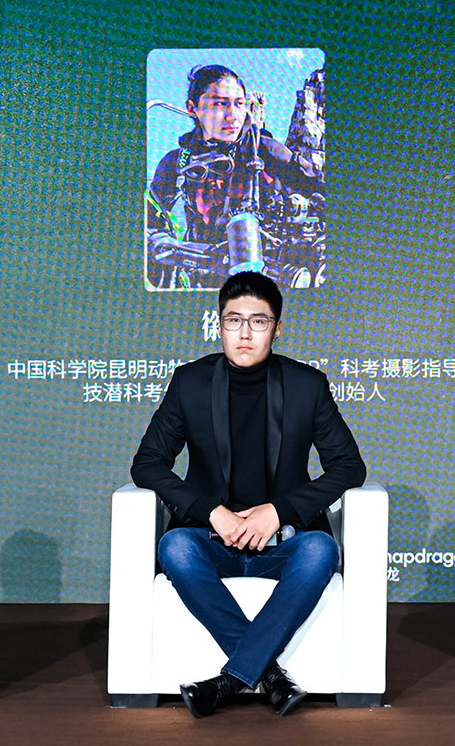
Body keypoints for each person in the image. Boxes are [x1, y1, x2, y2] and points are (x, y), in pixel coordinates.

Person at [130, 270, 366, 717]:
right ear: (218, 324)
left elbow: (349, 466)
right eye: (233, 320)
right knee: (175, 546)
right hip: (211, 540)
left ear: (277, 329)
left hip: (283, 543)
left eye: (258, 322)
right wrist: (211, 511)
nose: (244, 333)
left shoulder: (306, 385)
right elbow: (147, 464)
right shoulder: (190, 382)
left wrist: (279, 512)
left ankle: (228, 682)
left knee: (320, 549)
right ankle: (269, 675)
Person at [146, 64, 325, 290]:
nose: (232, 116)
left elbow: (317, 186)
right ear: (193, 108)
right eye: (219, 104)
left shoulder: (265, 150)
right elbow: (149, 220)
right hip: (206, 275)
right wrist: (167, 247)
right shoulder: (175, 163)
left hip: (275, 274)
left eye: (239, 103)